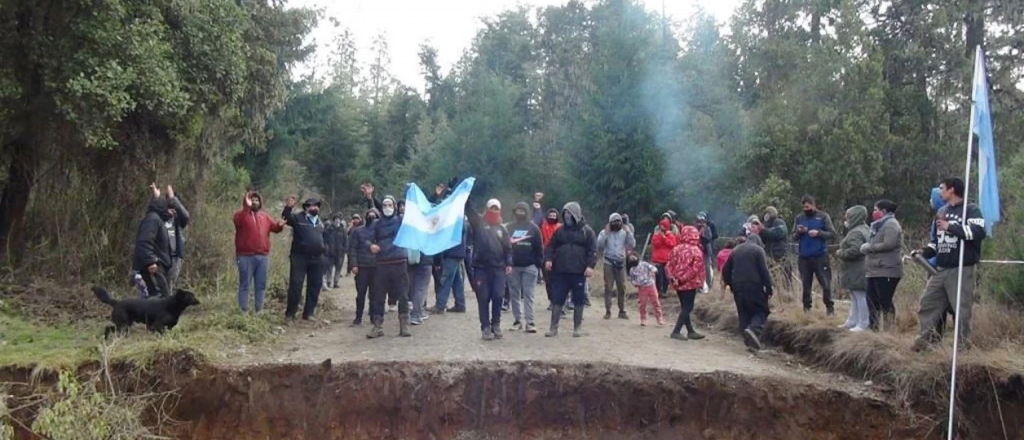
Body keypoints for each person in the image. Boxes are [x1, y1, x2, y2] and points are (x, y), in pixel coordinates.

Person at [911, 177, 986, 351]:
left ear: (951, 190)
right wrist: (924, 252)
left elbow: (978, 232)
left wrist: (950, 227)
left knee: (961, 310)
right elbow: (935, 243)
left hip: (960, 268)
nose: (940, 191)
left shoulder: (971, 210)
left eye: (942, 188)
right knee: (927, 303)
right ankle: (924, 342)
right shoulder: (942, 211)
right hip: (940, 269)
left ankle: (962, 346)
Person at [544, 202, 596, 337]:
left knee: (578, 299)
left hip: (579, 271)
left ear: (576, 214)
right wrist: (548, 259)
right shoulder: (559, 231)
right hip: (560, 270)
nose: (567, 216)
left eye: (569, 213)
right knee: (557, 298)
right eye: (565, 213)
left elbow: (592, 251)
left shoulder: (587, 231)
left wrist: (590, 266)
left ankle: (577, 328)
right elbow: (550, 246)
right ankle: (553, 328)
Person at [465, 198, 513, 340]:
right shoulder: (479, 223)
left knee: (498, 296)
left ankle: (496, 324)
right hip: (481, 268)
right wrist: (467, 197)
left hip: (498, 268)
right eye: (491, 208)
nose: (493, 211)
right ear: (486, 209)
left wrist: (509, 263)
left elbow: (508, 249)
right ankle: (485, 327)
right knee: (483, 297)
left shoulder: (502, 228)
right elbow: (470, 211)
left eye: (496, 208)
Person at [366, 194, 411, 338]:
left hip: (399, 262)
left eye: (390, 205)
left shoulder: (401, 220)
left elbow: (418, 215)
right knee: (378, 296)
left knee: (403, 295)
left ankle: (404, 326)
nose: (387, 208)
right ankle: (377, 326)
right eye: (384, 205)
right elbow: (367, 238)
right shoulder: (376, 224)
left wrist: (436, 196)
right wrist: (371, 245)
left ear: (395, 207)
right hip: (382, 263)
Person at [233, 191, 285, 313]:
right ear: (247, 202)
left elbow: (274, 228)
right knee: (245, 285)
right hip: (245, 256)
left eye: (257, 200)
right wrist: (247, 207)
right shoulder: (240, 215)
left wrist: (280, 225)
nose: (254, 202)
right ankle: (243, 311)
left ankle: (259, 310)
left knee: (261, 285)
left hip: (262, 256)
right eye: (252, 200)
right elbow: (238, 222)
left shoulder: (264, 216)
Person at [722, 234, 773, 351]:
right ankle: (753, 330)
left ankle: (749, 342)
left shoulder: (735, 250)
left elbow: (725, 270)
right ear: (758, 242)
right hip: (754, 285)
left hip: (738, 286)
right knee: (761, 311)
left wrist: (731, 284)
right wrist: (769, 287)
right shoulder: (758, 250)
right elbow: (764, 271)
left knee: (743, 312)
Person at [281, 197, 328, 322]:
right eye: (312, 206)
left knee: (315, 286)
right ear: (306, 207)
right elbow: (286, 218)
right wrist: (288, 207)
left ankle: (309, 313)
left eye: (317, 206)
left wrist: (324, 251)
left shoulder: (320, 222)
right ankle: (290, 314)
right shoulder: (298, 218)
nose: (315, 208)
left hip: (317, 258)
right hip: (300, 257)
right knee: (296, 285)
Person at [861, 199, 904, 331]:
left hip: (887, 269)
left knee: (885, 301)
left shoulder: (891, 224)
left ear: (883, 211)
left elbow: (889, 244)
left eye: (875, 210)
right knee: (871, 300)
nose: (873, 213)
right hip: (874, 269)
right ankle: (873, 327)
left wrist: (870, 247)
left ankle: (888, 329)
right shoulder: (878, 225)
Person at [793, 195, 837, 315]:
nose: (806, 209)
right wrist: (799, 232)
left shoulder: (823, 216)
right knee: (806, 284)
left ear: (813, 205)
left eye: (808, 206)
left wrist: (819, 233)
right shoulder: (799, 218)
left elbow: (832, 233)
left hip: (820, 255)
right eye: (803, 207)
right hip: (804, 256)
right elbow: (793, 236)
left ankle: (830, 308)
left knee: (825, 283)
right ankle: (807, 309)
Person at [507, 202, 543, 333]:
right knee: (514, 294)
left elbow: (540, 248)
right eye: (518, 210)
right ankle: (517, 320)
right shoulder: (509, 227)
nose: (520, 213)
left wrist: (538, 265)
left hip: (530, 267)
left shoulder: (534, 228)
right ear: (514, 211)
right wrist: (507, 263)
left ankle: (530, 322)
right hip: (513, 267)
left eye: (523, 211)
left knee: (529, 294)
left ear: (527, 212)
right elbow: (505, 247)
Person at [666, 226, 707, 341]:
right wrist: (683, 279)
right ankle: (676, 331)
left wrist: (673, 278)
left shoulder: (676, 249)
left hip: (677, 283)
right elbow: (695, 269)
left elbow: (668, 265)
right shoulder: (696, 250)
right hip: (690, 283)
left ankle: (690, 331)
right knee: (688, 307)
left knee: (684, 306)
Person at [836, 206, 870, 332]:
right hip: (858, 269)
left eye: (848, 217)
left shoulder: (856, 232)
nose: (846, 220)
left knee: (860, 296)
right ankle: (852, 321)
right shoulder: (865, 229)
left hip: (857, 269)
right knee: (855, 296)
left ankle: (863, 323)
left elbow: (855, 250)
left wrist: (840, 253)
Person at [134, 195, 175, 299]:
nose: (171, 212)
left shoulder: (158, 220)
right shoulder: (152, 219)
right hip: (153, 267)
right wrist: (150, 261)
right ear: (162, 207)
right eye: (168, 208)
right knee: (157, 299)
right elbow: (144, 241)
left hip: (158, 266)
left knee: (162, 299)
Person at [151, 184, 190, 292]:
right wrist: (156, 198)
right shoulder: (157, 217)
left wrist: (173, 199)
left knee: (168, 287)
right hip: (160, 257)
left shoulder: (178, 218)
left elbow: (186, 216)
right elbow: (153, 210)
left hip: (175, 257)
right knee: (158, 288)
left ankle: (166, 306)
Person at [598, 213, 636, 319]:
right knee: (608, 287)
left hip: (620, 262)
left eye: (618, 221)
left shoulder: (624, 233)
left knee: (622, 287)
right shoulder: (604, 232)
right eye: (614, 221)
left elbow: (632, 244)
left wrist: (629, 232)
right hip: (608, 262)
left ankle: (622, 310)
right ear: (610, 222)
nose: (616, 223)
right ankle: (608, 311)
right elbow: (599, 245)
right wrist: (606, 233)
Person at [348, 208, 379, 326]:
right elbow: (352, 248)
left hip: (376, 267)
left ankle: (373, 317)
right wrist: (354, 264)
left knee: (374, 294)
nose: (371, 218)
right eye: (369, 215)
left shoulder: (380, 232)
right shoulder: (358, 231)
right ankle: (358, 317)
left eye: (374, 216)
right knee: (361, 294)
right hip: (362, 267)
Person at [627, 251, 664, 326]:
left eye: (634, 257)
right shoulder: (632, 270)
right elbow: (632, 279)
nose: (633, 260)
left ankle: (659, 318)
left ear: (637, 257)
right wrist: (635, 284)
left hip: (651, 285)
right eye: (631, 259)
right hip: (642, 288)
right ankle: (643, 319)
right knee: (642, 304)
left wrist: (652, 272)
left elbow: (654, 268)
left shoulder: (644, 264)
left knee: (656, 302)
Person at [760, 206, 792, 289]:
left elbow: (779, 233)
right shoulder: (765, 224)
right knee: (771, 276)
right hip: (770, 255)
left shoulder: (779, 222)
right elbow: (763, 239)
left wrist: (764, 230)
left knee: (786, 276)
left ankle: (788, 293)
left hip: (781, 253)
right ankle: (774, 292)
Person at [651, 215, 678, 298]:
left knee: (666, 276)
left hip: (667, 259)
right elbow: (656, 244)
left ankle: (664, 291)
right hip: (658, 259)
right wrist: (661, 237)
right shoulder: (656, 235)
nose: (661, 227)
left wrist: (664, 238)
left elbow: (672, 244)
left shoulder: (671, 235)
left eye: (663, 225)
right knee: (659, 275)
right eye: (660, 225)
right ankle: (658, 290)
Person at [540, 208, 562, 308]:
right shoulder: (543, 226)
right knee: (548, 280)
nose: (552, 217)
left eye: (554, 216)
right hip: (545, 254)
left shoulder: (560, 227)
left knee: (558, 279)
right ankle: (551, 300)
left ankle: (559, 300)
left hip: (558, 255)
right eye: (550, 216)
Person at [407, 246, 434, 326]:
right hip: (425, 261)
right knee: (421, 289)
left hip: (411, 261)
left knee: (413, 288)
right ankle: (416, 314)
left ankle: (418, 310)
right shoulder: (428, 233)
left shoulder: (411, 233)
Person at [324, 215, 348, 289]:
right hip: (330, 253)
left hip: (340, 253)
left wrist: (345, 249)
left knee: (338, 268)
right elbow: (325, 240)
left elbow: (346, 241)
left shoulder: (342, 230)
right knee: (329, 269)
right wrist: (326, 249)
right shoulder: (328, 229)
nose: (337, 221)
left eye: (338, 219)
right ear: (333, 220)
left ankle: (336, 283)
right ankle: (328, 282)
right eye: (336, 219)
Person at [695, 213, 715, 290]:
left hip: (705, 251)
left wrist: (702, 234)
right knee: (697, 268)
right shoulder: (694, 229)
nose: (701, 223)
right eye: (699, 221)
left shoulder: (707, 228)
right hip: (697, 250)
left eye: (702, 221)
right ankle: (699, 284)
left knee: (707, 267)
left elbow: (709, 238)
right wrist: (699, 233)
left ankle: (708, 283)